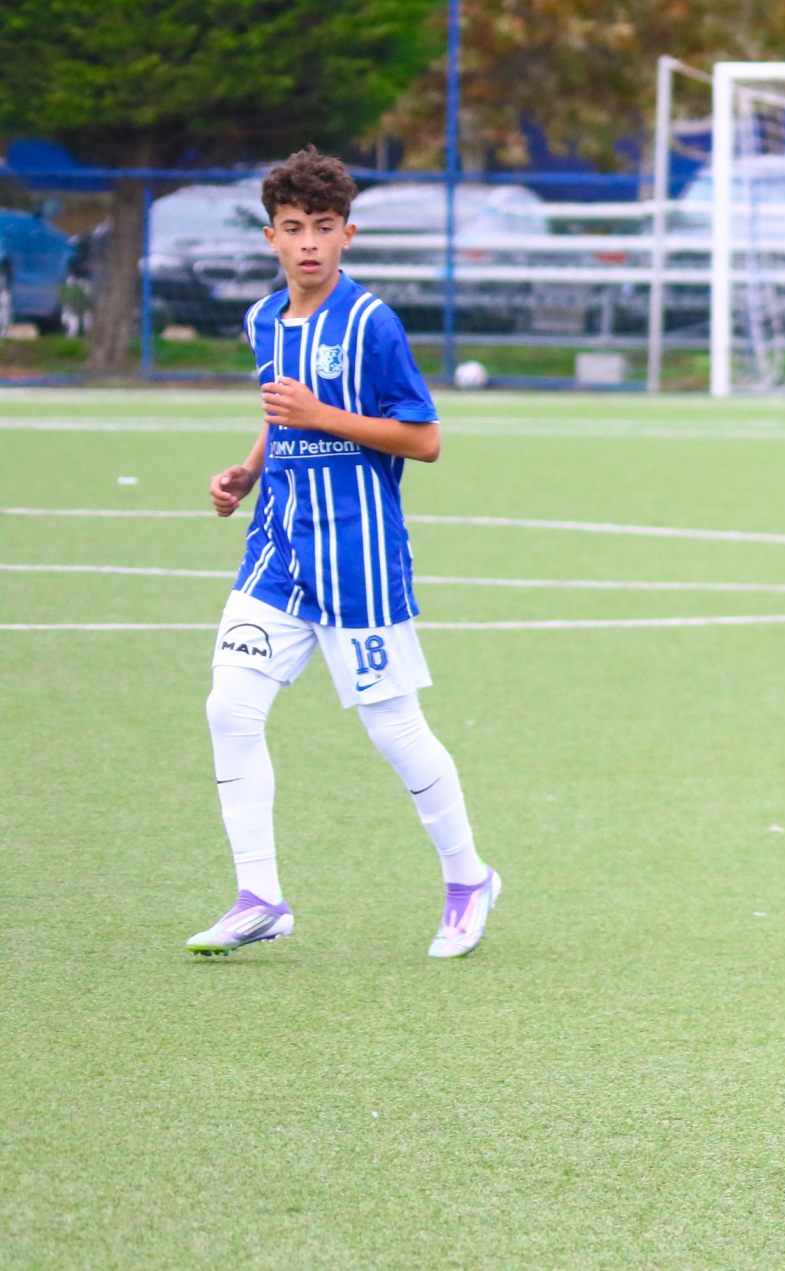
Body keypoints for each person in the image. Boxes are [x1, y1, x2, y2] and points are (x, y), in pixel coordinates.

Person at [188, 147, 501, 958]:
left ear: (348, 234)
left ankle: (468, 878)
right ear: (271, 237)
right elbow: (279, 411)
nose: (309, 243)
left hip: (358, 559)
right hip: (277, 553)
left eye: (324, 227)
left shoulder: (371, 324)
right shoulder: (263, 319)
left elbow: (424, 439)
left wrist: (321, 415)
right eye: (293, 228)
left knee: (394, 727)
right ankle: (259, 896)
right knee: (229, 708)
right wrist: (248, 471)